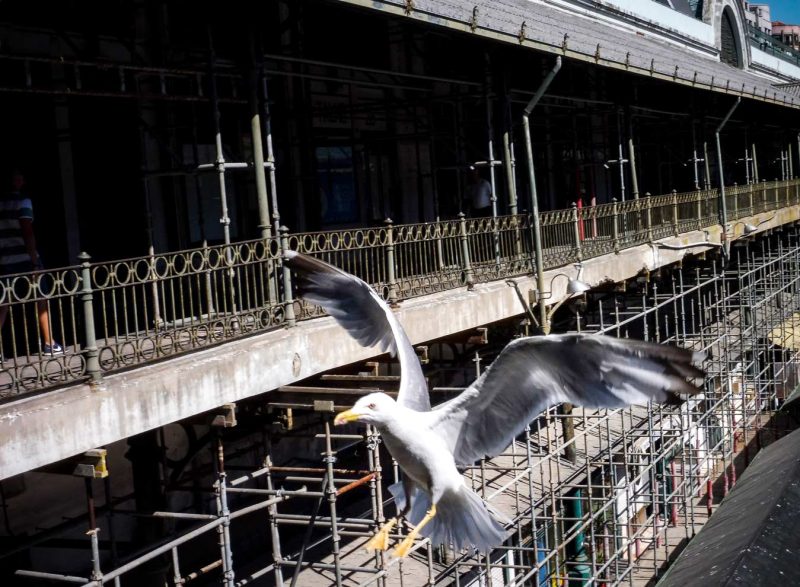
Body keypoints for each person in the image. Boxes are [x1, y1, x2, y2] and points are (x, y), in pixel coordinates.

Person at [0, 171, 63, 355]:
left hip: (4, 259)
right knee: (41, 297)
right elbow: (27, 231)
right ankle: (49, 343)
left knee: (3, 303)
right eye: (18, 177)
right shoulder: (23, 201)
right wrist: (35, 262)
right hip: (25, 259)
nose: (20, 180)